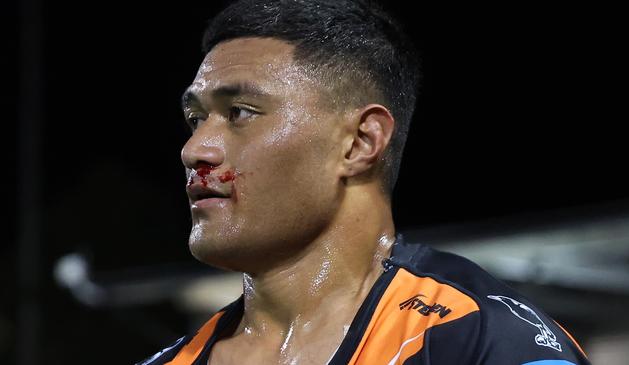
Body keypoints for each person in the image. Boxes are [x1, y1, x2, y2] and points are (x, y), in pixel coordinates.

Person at [138, 0, 590, 364]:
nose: (195, 149)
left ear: (359, 142)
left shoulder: (478, 339)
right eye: (195, 119)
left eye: (240, 113)